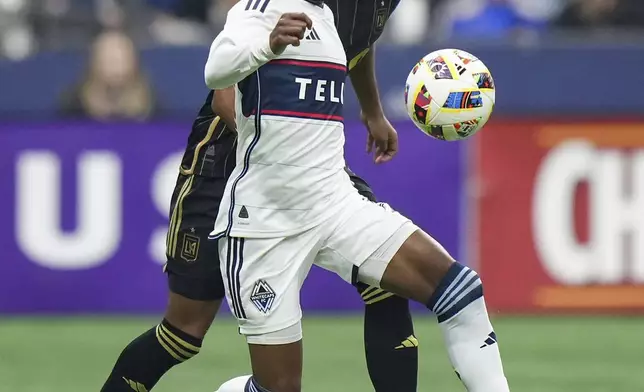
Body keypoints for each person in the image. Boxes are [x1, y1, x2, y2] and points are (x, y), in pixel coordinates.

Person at [100, 0, 419, 390]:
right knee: (183, 332)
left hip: (305, 167)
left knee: (384, 280)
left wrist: (372, 110)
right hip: (221, 162)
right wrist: (283, 154)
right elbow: (224, 94)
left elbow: (359, 45)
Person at [205, 1, 510, 392]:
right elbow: (216, 70)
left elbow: (361, 53)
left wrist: (373, 111)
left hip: (335, 204)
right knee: (279, 387)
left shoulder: (331, 21)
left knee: (459, 291)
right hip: (264, 221)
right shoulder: (261, 7)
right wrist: (267, 44)